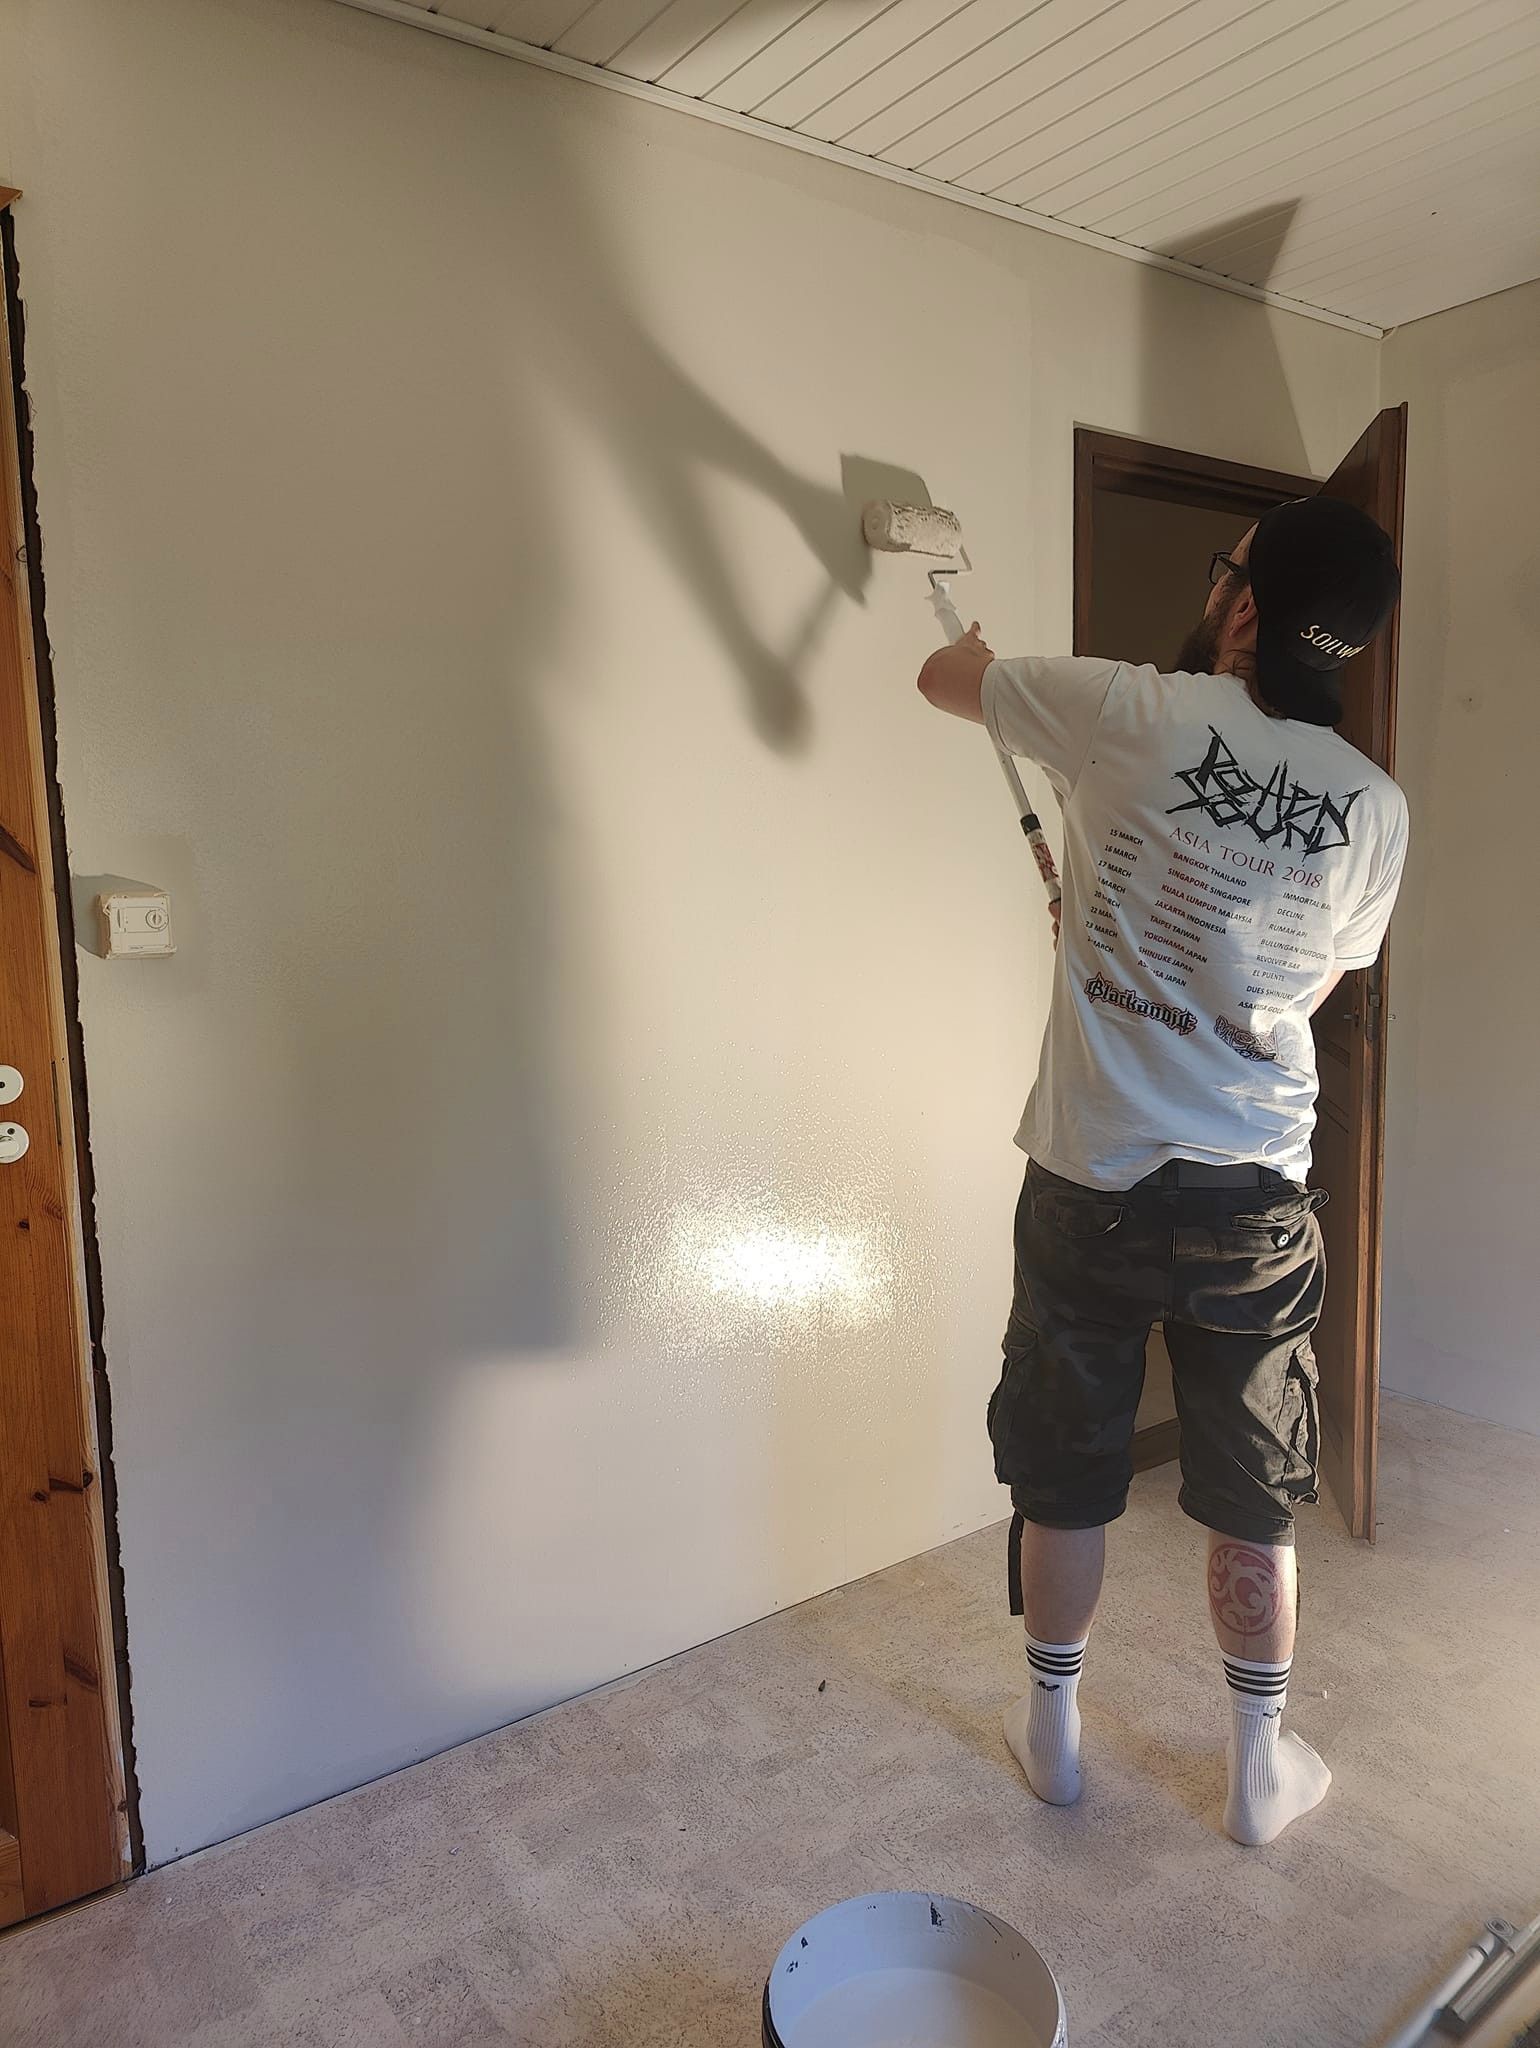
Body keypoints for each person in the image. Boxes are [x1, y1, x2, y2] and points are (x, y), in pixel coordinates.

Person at [916, 494, 1407, 1845]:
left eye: (1227, 572)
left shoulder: (1127, 710)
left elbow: (942, 677)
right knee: (1255, 1495)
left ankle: (1056, 1735)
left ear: (1243, 605)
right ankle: (1257, 1766)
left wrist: (991, 662)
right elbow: (1311, 982)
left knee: (1065, 1473)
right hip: (1253, 1197)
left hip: (1091, 1181)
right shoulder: (1376, 808)